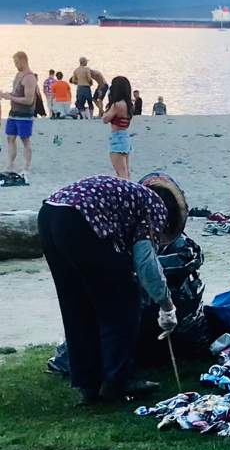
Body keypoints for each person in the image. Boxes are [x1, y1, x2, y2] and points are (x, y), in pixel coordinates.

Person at [39, 172, 188, 404]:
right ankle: (117, 381)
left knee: (78, 304)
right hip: (79, 220)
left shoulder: (132, 198)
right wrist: (167, 306)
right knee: (124, 300)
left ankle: (88, 385)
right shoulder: (155, 207)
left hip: (50, 214)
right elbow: (146, 263)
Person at [2, 51, 37, 173]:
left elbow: (28, 100)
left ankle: (27, 166)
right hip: (13, 113)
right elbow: (16, 93)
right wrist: (6, 95)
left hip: (25, 114)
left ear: (22, 60)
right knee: (10, 138)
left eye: (16, 62)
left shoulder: (29, 78)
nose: (15, 65)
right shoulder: (18, 75)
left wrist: (10, 98)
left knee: (25, 139)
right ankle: (11, 164)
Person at [102, 76, 135, 180]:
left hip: (117, 137)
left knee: (121, 173)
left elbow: (105, 119)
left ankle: (126, 194)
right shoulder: (129, 104)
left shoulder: (117, 105)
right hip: (125, 136)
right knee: (126, 171)